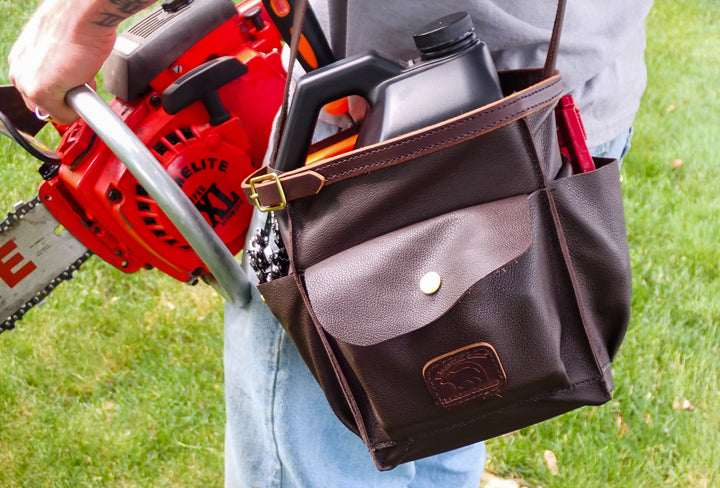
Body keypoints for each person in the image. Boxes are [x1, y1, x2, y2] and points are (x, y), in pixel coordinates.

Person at [9, 0, 653, 486]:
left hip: (382, 158)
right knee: (454, 407)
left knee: (332, 450)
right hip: (562, 106)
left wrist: (84, 16)